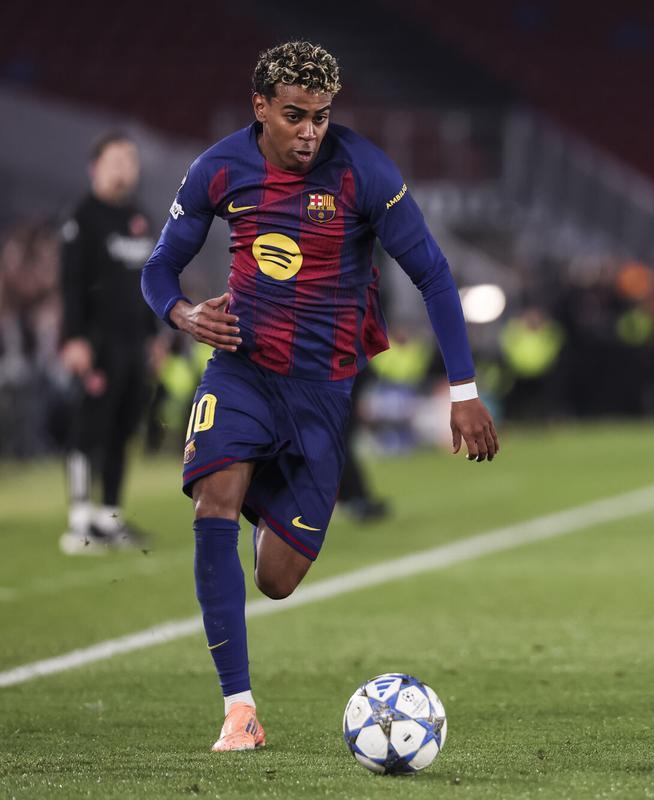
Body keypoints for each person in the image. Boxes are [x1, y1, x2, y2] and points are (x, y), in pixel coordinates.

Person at [140, 41, 499, 752]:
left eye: (322, 116)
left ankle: (257, 485)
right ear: (261, 108)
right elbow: (159, 269)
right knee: (214, 502)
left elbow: (433, 274)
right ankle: (239, 710)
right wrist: (182, 314)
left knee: (276, 579)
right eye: (295, 116)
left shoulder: (365, 170)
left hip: (323, 393)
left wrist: (464, 390)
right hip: (242, 369)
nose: (310, 132)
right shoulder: (218, 168)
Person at [59, 133, 159, 553]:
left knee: (122, 430)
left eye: (130, 160)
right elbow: (71, 284)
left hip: (135, 344)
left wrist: (154, 337)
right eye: (115, 159)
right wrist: (74, 338)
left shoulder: (140, 219)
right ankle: (80, 520)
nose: (124, 167)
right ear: (94, 167)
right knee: (89, 428)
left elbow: (150, 282)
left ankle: (109, 517)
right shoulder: (82, 218)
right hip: (97, 342)